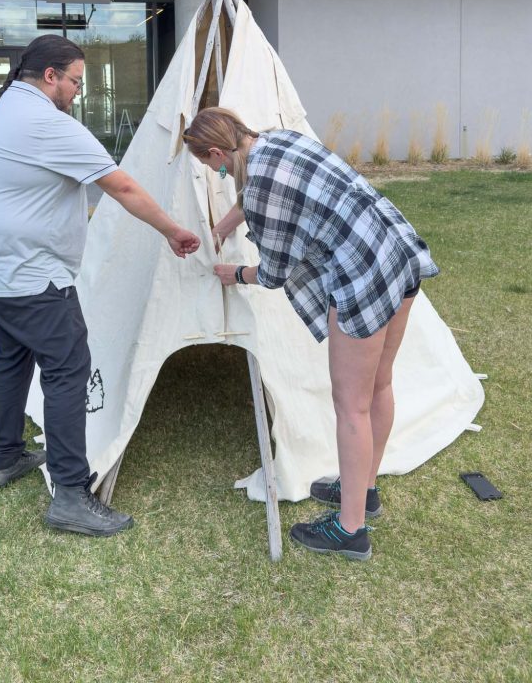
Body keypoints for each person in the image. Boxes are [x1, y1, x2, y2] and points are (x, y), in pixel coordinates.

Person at [0, 34, 200, 537]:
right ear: (50, 76)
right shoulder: (46, 123)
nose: (77, 91)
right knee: (70, 367)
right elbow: (123, 186)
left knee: (13, 357)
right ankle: (71, 493)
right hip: (32, 278)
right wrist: (173, 230)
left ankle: (3, 456)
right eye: (75, 81)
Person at [182, 107, 438, 561]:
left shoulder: (259, 187)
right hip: (394, 253)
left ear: (218, 152)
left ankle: (350, 530)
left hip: (361, 278)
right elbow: (255, 196)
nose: (212, 170)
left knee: (351, 406)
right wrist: (223, 226)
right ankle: (365, 489)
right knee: (379, 385)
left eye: (208, 162)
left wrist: (236, 273)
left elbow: (277, 272)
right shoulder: (277, 141)